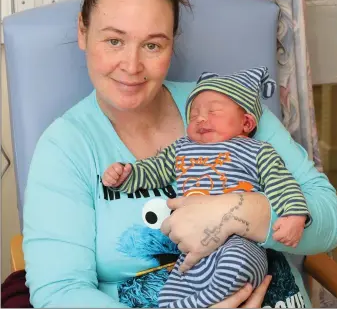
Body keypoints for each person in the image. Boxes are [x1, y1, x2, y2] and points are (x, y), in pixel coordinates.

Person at [22, 0, 337, 308]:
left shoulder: (226, 109)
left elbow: (329, 218)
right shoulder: (67, 147)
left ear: (173, 43)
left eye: (153, 45)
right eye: (114, 40)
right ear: (83, 31)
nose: (131, 66)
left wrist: (242, 212)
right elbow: (60, 291)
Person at [102, 67, 311, 308]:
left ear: (246, 122)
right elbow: (154, 170)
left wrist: (295, 215)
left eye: (213, 112)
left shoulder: (257, 151)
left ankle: (204, 301)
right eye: (194, 115)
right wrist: (126, 176)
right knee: (171, 291)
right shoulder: (182, 148)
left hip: (241, 243)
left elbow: (282, 183)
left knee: (235, 264)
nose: (201, 118)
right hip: (194, 251)